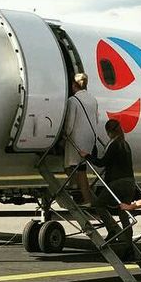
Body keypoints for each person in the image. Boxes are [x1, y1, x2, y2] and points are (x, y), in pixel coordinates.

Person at [85, 119, 138, 247]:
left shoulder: (113, 144)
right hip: (130, 183)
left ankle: (112, 229)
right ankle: (129, 245)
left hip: (117, 183)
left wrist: (87, 156)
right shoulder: (124, 144)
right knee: (123, 213)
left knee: (99, 205)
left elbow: (102, 162)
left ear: (109, 132)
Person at [63, 73, 99, 205]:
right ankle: (83, 193)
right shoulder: (93, 99)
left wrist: (64, 135)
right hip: (89, 138)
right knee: (81, 169)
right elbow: (96, 119)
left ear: (74, 85)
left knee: (70, 167)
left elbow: (70, 123)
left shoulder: (73, 100)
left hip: (76, 139)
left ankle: (77, 188)